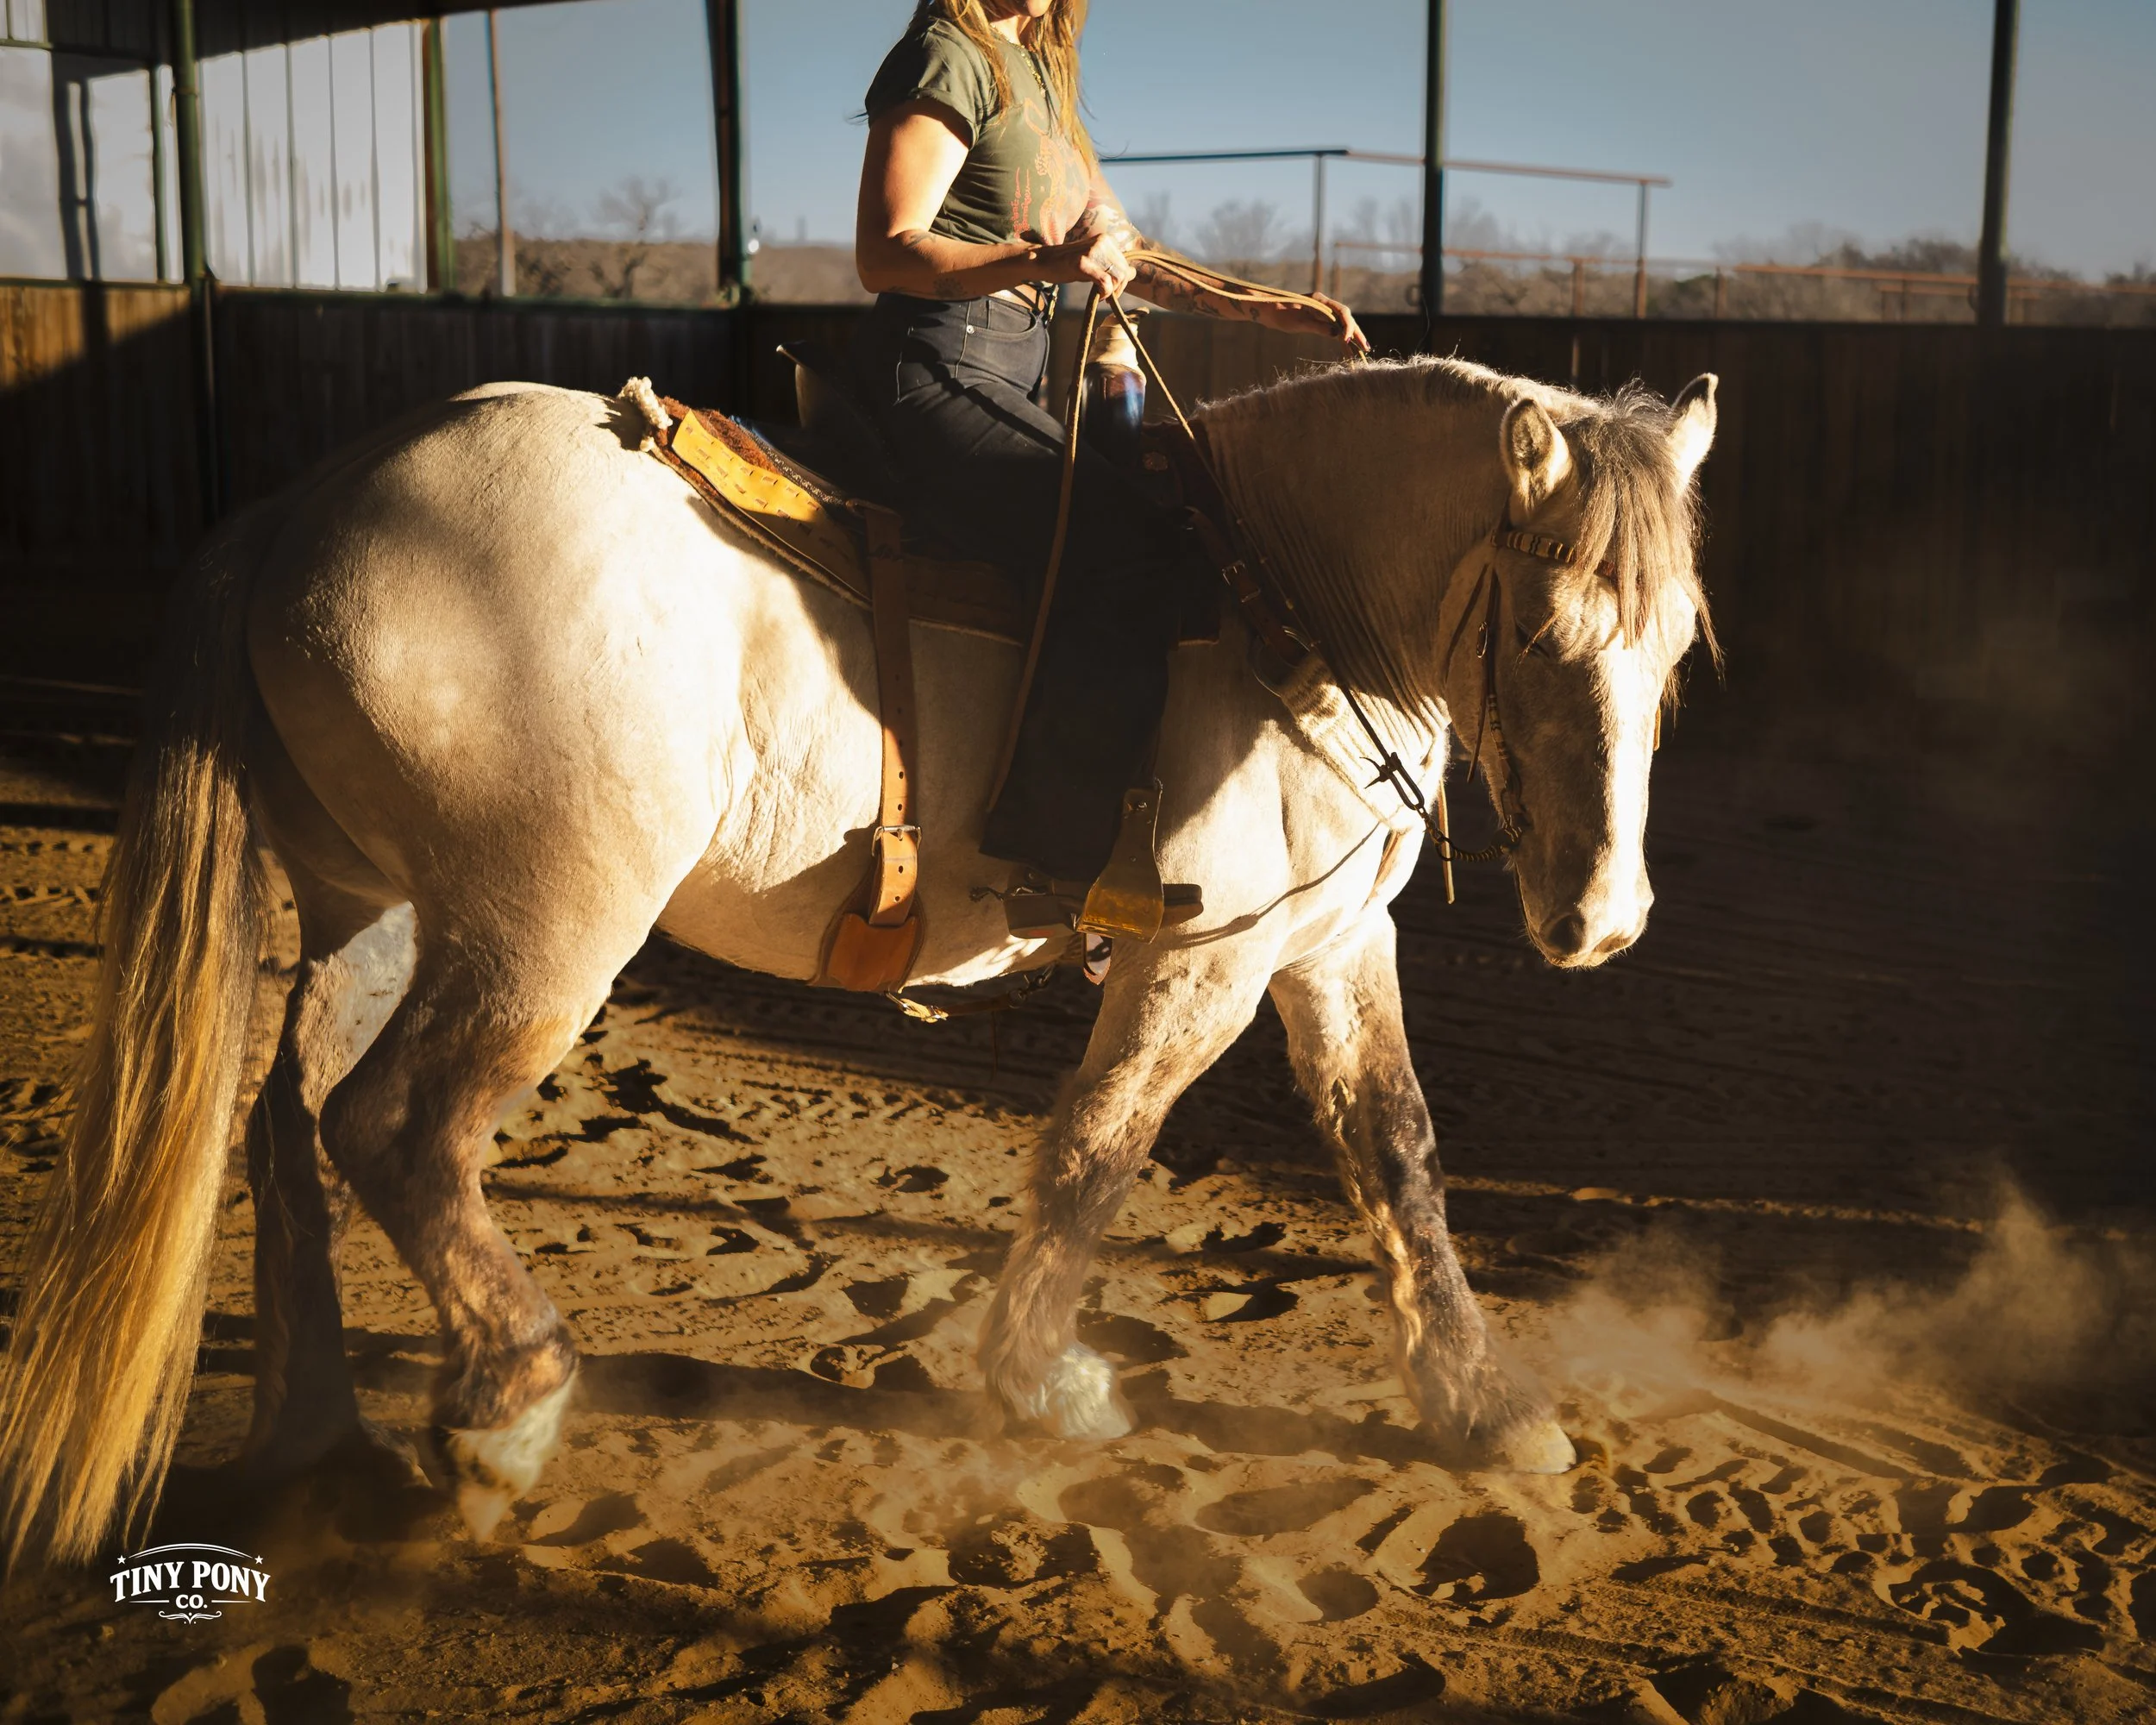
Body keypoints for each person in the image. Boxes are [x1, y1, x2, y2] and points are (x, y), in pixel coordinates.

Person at [851, 0, 1367, 886]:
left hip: (1011, 366)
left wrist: (1264, 308)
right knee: (1127, 546)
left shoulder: (1046, 82)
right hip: (935, 365)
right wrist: (1046, 265)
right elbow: (887, 251)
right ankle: (1055, 862)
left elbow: (1123, 248)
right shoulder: (946, 57)